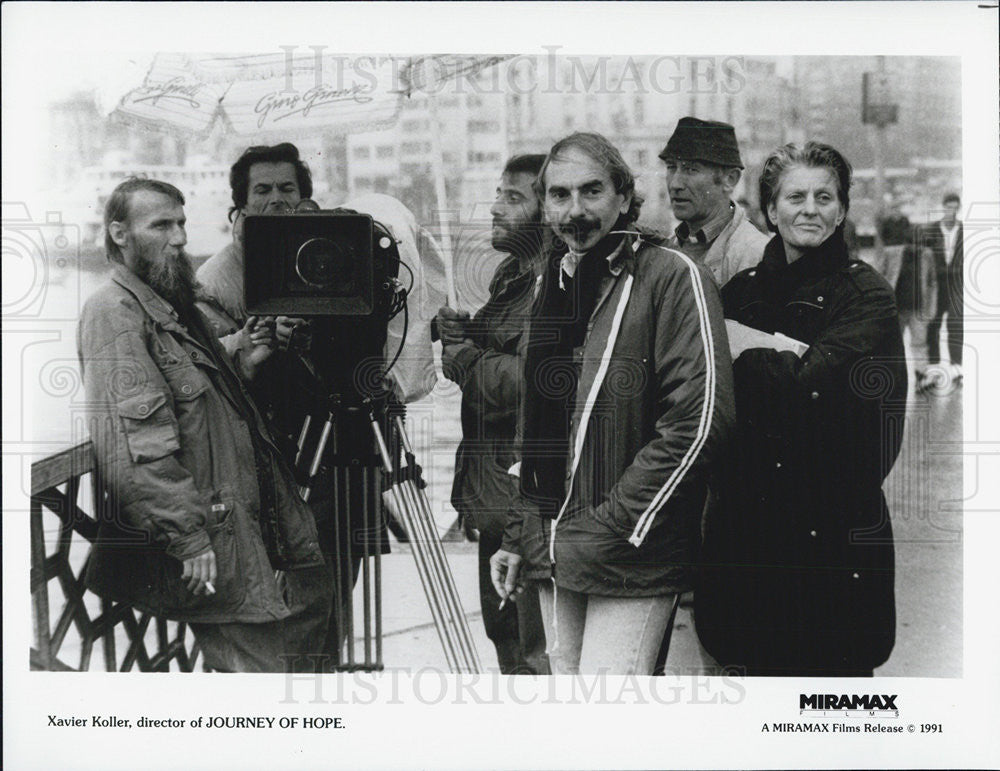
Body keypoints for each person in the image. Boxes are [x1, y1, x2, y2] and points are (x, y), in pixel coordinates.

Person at [491, 132, 734, 675]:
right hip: (551, 547)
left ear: (624, 197)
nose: (574, 210)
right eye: (558, 195)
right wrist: (518, 534)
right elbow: (539, 423)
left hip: (629, 554)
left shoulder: (672, 275)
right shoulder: (552, 280)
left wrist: (613, 525)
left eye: (591, 191)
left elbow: (698, 423)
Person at [196, 143, 440, 669]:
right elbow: (206, 377)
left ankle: (328, 682)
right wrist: (255, 341)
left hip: (338, 450)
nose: (277, 201)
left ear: (306, 198)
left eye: (288, 189)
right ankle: (303, 697)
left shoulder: (321, 252)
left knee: (333, 591)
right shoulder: (218, 278)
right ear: (239, 205)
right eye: (263, 191)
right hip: (278, 464)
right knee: (301, 597)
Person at [78, 178, 331, 672]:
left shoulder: (164, 300)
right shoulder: (113, 311)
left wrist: (241, 357)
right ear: (119, 233)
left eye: (182, 224)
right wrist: (188, 538)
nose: (178, 239)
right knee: (262, 680)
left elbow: (191, 398)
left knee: (281, 654)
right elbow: (137, 445)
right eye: (161, 225)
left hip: (236, 523)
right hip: (208, 534)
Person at [696, 142, 907, 676]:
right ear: (770, 209)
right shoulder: (737, 293)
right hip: (744, 546)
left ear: (841, 210)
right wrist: (789, 362)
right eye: (795, 196)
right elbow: (704, 406)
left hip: (833, 549)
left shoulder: (867, 296)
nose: (810, 208)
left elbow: (817, 387)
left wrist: (738, 348)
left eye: (824, 196)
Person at [438, 154, 550, 675]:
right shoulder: (514, 273)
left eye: (513, 197)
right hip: (496, 496)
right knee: (506, 637)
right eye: (497, 194)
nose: (496, 208)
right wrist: (464, 334)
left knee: (532, 649)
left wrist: (465, 358)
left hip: (520, 502)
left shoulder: (554, 280)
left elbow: (536, 382)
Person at [660, 116, 770, 286]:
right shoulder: (667, 249)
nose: (675, 184)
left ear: (730, 179)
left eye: (691, 169)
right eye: (671, 167)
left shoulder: (757, 256)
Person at [920, 192, 964, 385]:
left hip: (956, 284)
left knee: (956, 325)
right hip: (936, 284)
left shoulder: (964, 230)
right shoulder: (930, 230)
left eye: (954, 207)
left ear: (958, 208)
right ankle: (934, 367)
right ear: (943, 207)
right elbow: (924, 258)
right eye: (948, 207)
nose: (951, 211)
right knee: (933, 324)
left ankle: (956, 367)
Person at [895, 221, 937, 389]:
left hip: (918, 309)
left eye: (919, 244)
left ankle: (921, 377)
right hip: (896, 307)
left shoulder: (927, 255)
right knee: (894, 344)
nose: (916, 248)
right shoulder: (894, 254)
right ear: (906, 242)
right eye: (913, 243)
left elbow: (932, 282)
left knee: (920, 343)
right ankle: (895, 378)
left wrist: (931, 307)